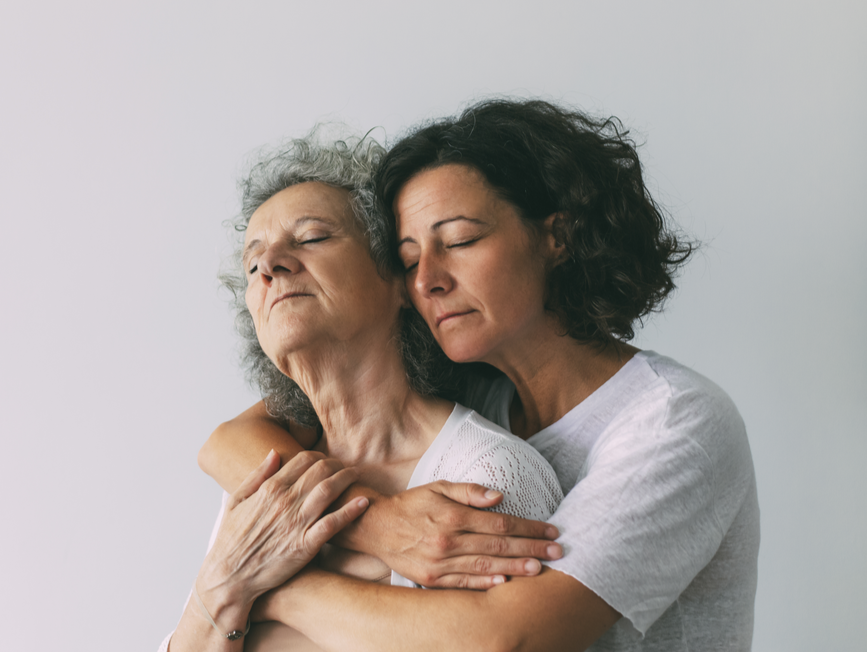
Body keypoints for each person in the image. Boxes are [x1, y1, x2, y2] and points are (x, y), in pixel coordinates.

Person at [201, 100, 760, 650]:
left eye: (462, 241)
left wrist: (259, 586)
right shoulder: (469, 383)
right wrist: (377, 523)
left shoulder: (672, 422)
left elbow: (506, 638)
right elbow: (230, 443)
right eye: (410, 257)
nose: (428, 281)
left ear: (557, 237)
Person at [164, 130, 563, 651]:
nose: (270, 266)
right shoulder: (265, 475)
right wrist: (222, 587)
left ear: (397, 277)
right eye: (252, 261)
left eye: (311, 238)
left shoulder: (486, 475)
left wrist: (254, 589)